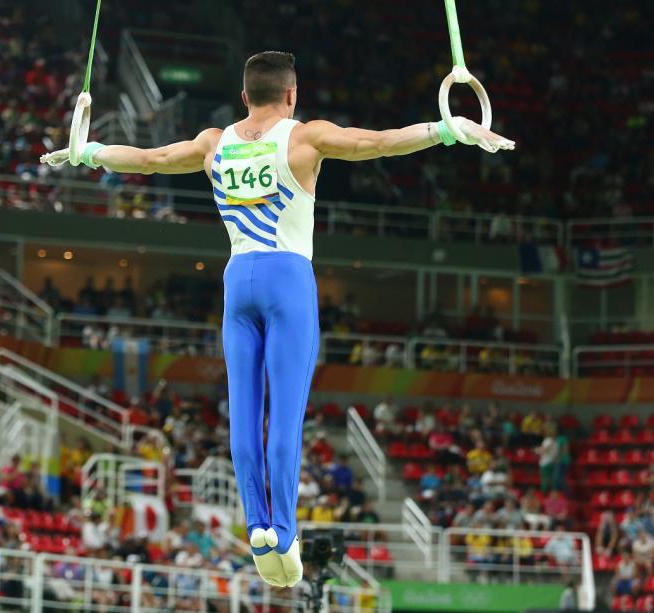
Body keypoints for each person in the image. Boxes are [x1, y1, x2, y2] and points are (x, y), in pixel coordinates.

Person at [42, 51, 514, 588]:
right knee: (285, 417)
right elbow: (379, 143)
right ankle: (283, 532)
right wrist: (447, 130)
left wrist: (89, 151)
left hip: (237, 281)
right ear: (292, 94)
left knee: (243, 414)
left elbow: (150, 159)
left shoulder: (214, 143)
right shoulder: (304, 137)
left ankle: (258, 529)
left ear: (244, 97)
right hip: (287, 280)